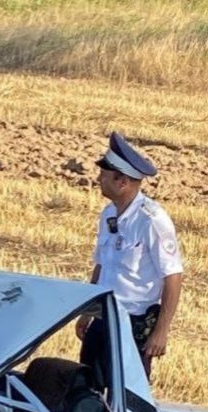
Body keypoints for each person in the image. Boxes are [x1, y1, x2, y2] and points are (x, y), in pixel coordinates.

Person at [77, 132, 182, 382]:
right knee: (86, 391)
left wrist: (160, 332)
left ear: (122, 181)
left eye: (104, 176)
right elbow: (101, 266)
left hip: (132, 325)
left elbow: (173, 277)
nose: (98, 180)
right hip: (103, 318)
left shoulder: (152, 220)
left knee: (127, 398)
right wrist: (87, 312)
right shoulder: (108, 214)